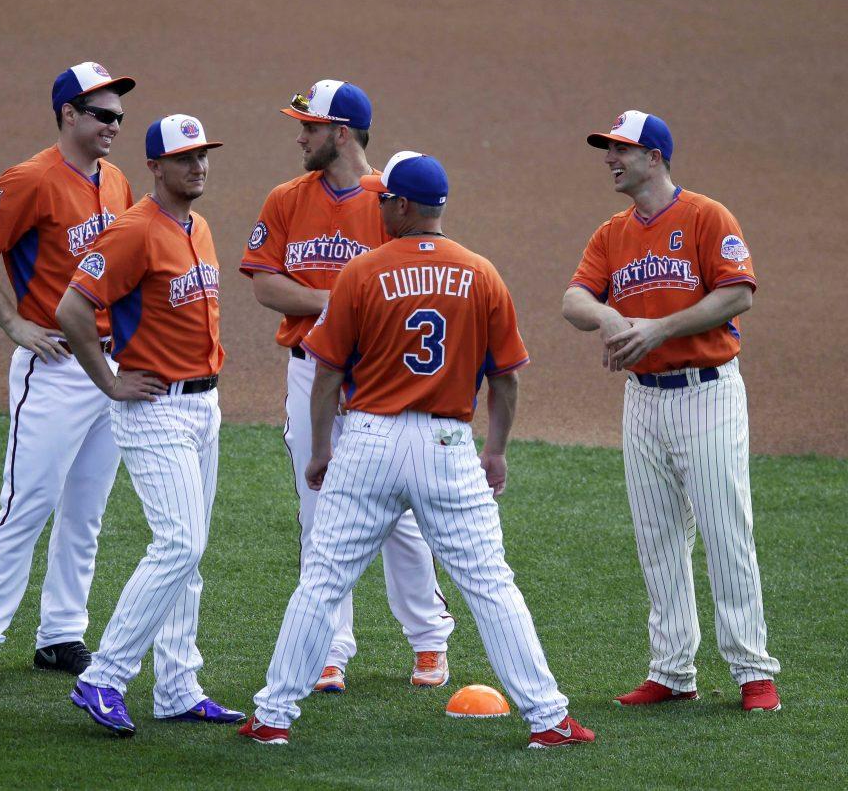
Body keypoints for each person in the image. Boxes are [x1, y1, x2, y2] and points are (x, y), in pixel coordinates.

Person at [240, 151, 594, 749]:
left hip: (370, 439)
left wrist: (322, 449)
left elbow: (325, 374)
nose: (378, 208)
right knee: (490, 584)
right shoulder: (481, 273)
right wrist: (497, 450)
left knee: (321, 580)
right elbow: (506, 377)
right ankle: (549, 718)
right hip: (448, 444)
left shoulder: (362, 272)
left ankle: (272, 716)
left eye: (385, 202)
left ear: (403, 206)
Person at [239, 80, 454, 693]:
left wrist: (356, 315)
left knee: (399, 512)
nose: (299, 134)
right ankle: (330, 649)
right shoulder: (286, 199)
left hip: (378, 375)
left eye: (308, 125)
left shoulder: (393, 199)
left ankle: (429, 639)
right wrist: (336, 301)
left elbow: (419, 275)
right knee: (318, 508)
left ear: (341, 132)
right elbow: (264, 284)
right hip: (311, 371)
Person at [562, 110, 781, 712]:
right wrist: (611, 319)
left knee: (723, 529)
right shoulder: (612, 232)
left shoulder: (707, 217)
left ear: (654, 156)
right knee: (658, 538)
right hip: (643, 402)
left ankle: (753, 672)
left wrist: (658, 329)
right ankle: (672, 669)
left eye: (620, 150)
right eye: (607, 150)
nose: (609, 159)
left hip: (707, 393)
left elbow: (737, 293)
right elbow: (573, 297)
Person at [0, 62, 135, 689]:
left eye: (118, 115)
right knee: (26, 503)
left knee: (86, 508)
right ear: (68, 115)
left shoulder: (116, 181)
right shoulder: (29, 179)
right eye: (103, 115)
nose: (115, 125)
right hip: (53, 368)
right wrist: (10, 322)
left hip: (108, 363)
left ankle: (60, 635)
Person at [57, 114, 243, 736]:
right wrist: (109, 382)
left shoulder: (200, 226)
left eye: (204, 155)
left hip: (202, 408)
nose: (199, 166)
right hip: (154, 407)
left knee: (190, 555)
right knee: (179, 543)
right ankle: (102, 676)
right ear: (156, 167)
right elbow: (72, 308)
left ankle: (177, 685)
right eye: (186, 158)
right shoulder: (133, 231)